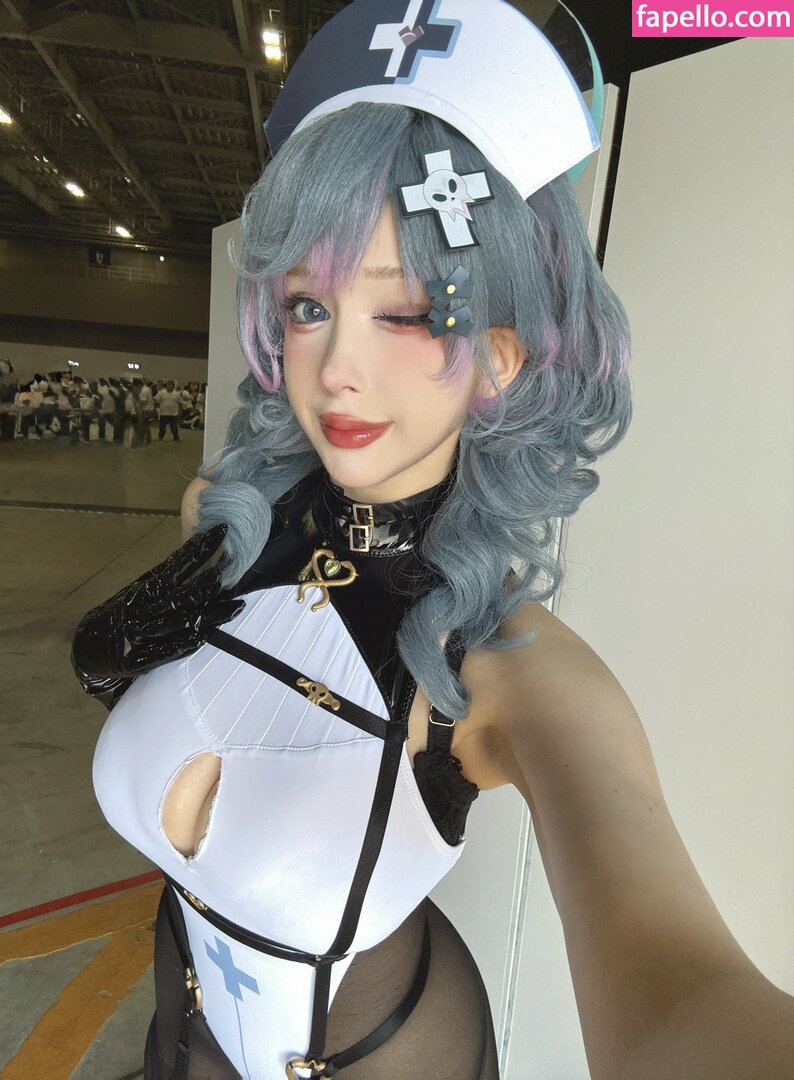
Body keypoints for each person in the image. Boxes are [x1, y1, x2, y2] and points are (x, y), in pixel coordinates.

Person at [71, 3, 794, 1079]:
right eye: (309, 307)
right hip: (179, 1039)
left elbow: (687, 993)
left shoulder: (513, 673)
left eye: (407, 313)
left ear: (501, 357)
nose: (338, 371)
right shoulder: (221, 517)